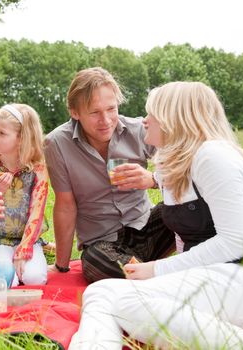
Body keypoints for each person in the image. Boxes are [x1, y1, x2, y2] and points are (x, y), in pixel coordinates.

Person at [69, 81, 243, 349]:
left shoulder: (213, 156)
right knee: (101, 292)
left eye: (151, 113)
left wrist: (157, 270)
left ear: (174, 118)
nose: (144, 120)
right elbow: (184, 239)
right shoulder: (175, 165)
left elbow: (236, 242)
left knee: (121, 300)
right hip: (212, 278)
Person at [44, 67, 174, 282]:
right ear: (75, 112)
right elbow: (65, 205)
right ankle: (156, 276)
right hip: (103, 244)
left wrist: (152, 180)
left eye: (111, 109)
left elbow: (185, 169)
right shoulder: (57, 143)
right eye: (95, 112)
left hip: (145, 226)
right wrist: (62, 266)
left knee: (187, 208)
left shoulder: (138, 130)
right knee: (96, 261)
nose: (106, 120)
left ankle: (147, 274)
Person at [0, 103, 49, 287]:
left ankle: (42, 249)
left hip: (28, 239)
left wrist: (24, 250)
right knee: (9, 280)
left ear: (21, 139)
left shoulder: (38, 170)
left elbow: (36, 214)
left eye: (2, 133)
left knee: (35, 279)